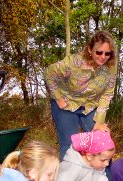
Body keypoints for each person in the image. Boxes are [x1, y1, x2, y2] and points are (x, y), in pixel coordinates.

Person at [44, 30, 117, 160]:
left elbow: (107, 94)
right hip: (66, 104)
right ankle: (68, 179)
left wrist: (99, 121)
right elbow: (49, 73)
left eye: (107, 53)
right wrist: (58, 97)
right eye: (99, 52)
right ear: (90, 49)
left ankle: (107, 179)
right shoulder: (73, 63)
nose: (103, 56)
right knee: (69, 144)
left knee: (101, 140)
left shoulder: (110, 67)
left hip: (90, 106)